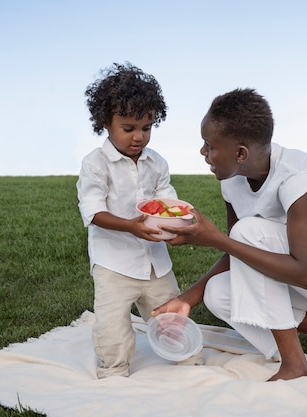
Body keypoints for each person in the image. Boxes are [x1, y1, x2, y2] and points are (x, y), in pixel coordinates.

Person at [152, 88, 307, 381]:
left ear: (240, 153)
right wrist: (188, 299)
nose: (203, 153)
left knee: (248, 232)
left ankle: (295, 366)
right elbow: (238, 253)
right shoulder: (233, 181)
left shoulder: (299, 175)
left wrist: (215, 238)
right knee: (219, 293)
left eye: (209, 146)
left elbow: (306, 273)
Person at [77, 62, 181, 378]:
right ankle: (114, 369)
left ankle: (184, 358)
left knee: (170, 314)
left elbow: (168, 202)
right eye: (129, 128)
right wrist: (131, 225)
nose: (139, 137)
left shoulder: (156, 162)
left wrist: (177, 223)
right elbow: (93, 211)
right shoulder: (96, 164)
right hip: (114, 263)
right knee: (112, 322)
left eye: (147, 127)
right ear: (105, 123)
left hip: (155, 261)